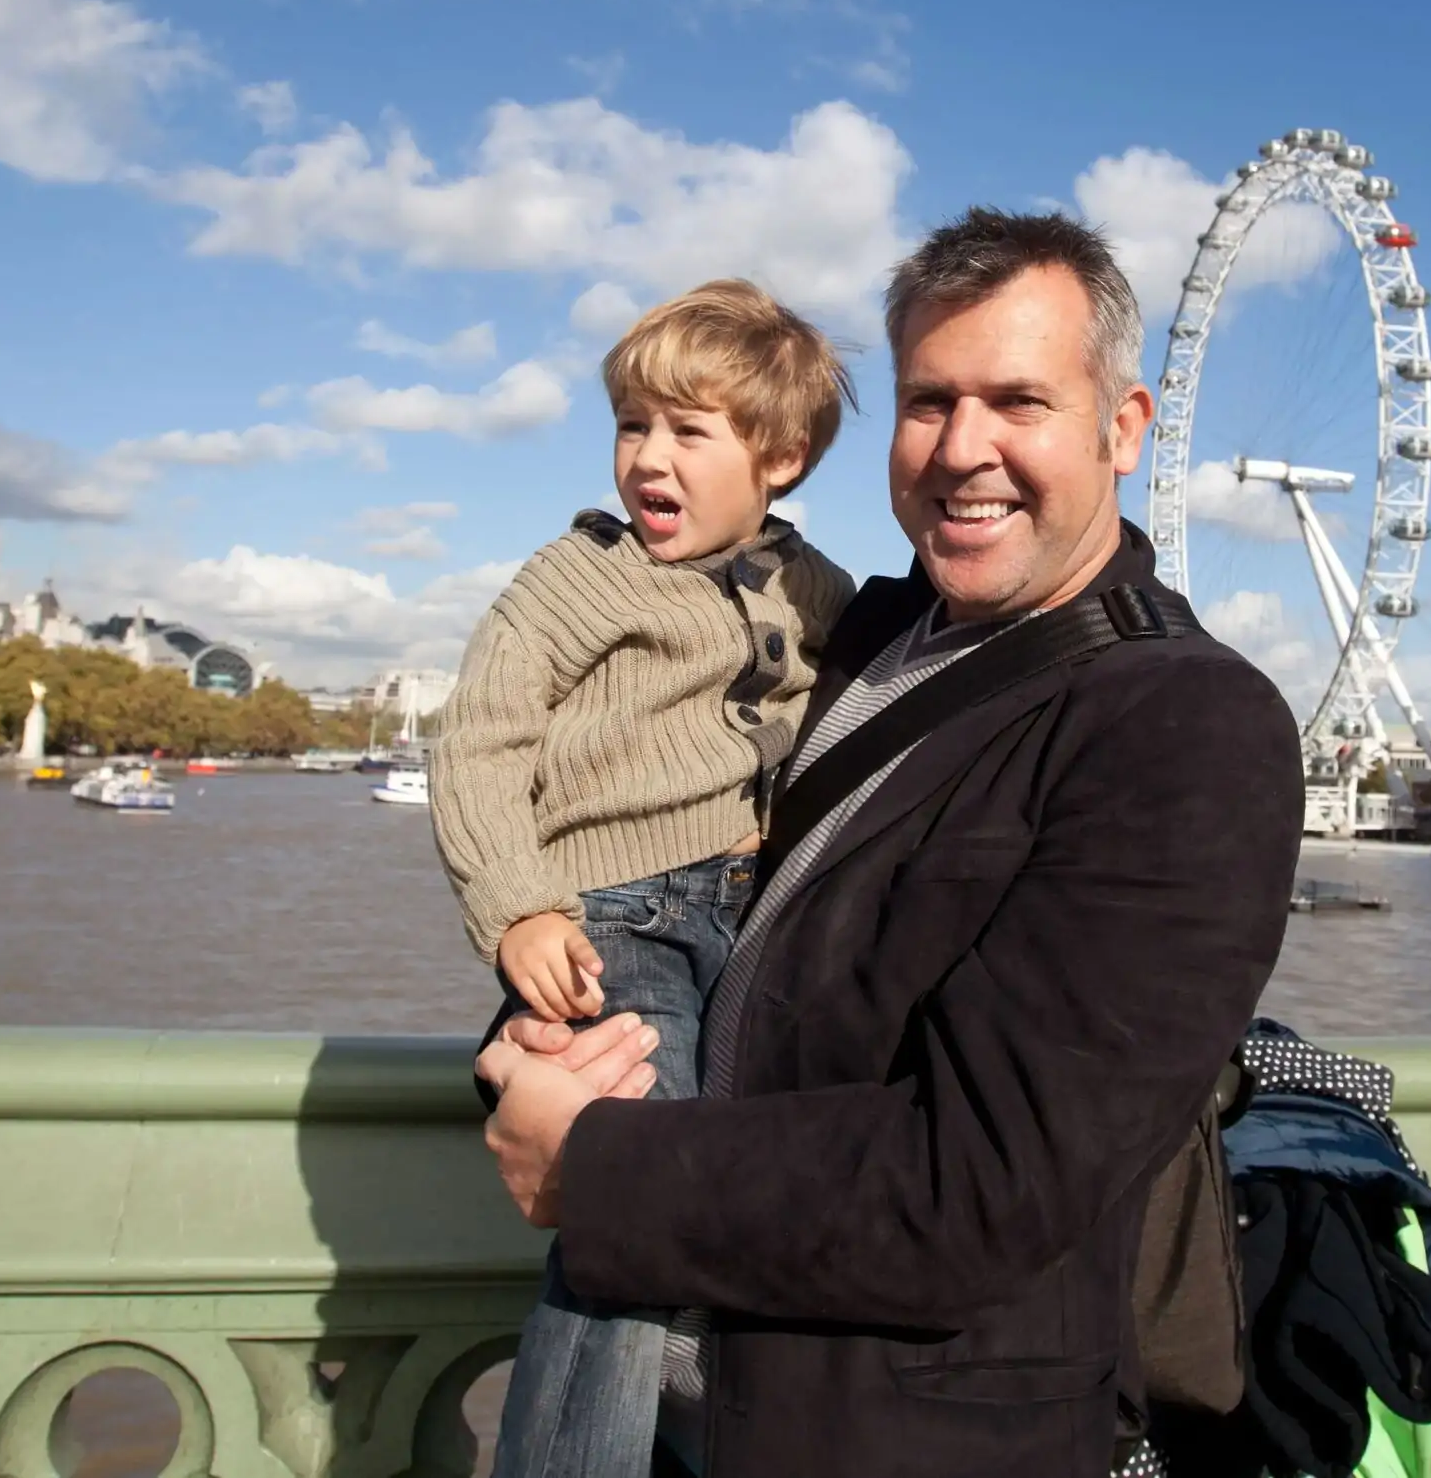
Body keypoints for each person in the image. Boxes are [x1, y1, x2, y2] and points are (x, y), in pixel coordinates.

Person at [476, 209, 1305, 1478]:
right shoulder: (863, 632)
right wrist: (558, 1000)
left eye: (1018, 400)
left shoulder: (1186, 723)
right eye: (929, 401)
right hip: (687, 1413)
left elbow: (981, 1183)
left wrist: (594, 1165)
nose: (964, 450)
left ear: (1125, 427)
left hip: (896, 1435)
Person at [431, 277, 858, 1478]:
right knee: (631, 1190)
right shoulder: (579, 576)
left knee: (762, 1182)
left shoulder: (808, 586)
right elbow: (478, 742)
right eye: (632, 426)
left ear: (779, 459)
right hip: (613, 924)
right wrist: (516, 907)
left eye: (687, 430)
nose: (647, 459)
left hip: (754, 924)